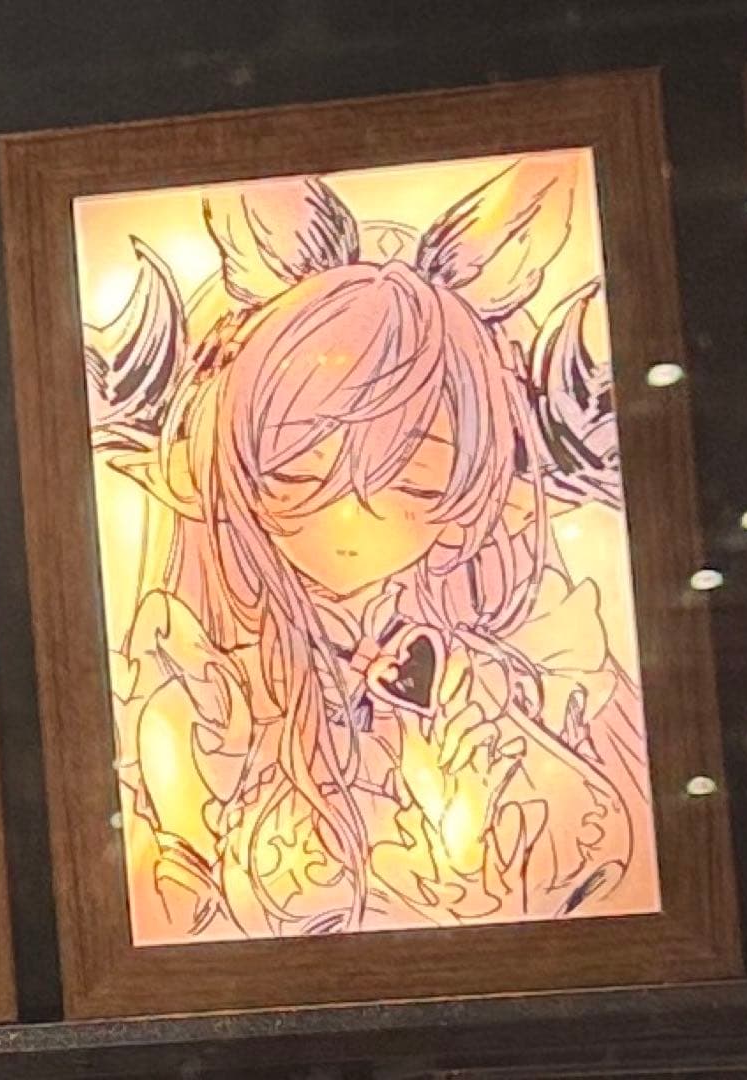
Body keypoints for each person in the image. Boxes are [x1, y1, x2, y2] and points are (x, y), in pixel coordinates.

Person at [92, 162, 658, 943]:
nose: (344, 517)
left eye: (411, 479)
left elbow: (598, 871)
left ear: (471, 496)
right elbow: (173, 917)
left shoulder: (523, 674)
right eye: (294, 471)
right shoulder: (200, 688)